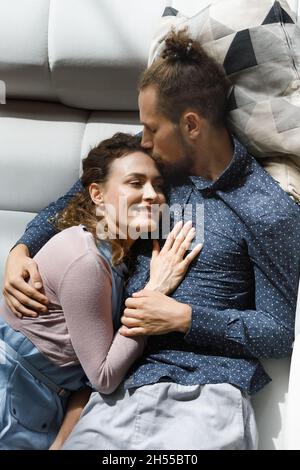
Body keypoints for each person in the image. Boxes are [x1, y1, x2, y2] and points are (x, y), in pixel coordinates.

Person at [3, 30, 300, 450]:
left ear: (190, 125)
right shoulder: (147, 171)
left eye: (150, 128)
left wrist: (184, 317)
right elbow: (75, 200)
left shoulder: (267, 212)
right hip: (114, 391)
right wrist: (19, 250)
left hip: (204, 393)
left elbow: (279, 333)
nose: (142, 140)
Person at [0, 131, 201, 450]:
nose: (152, 195)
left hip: (43, 405)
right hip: (11, 399)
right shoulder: (86, 259)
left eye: (158, 185)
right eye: (135, 183)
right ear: (97, 194)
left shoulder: (116, 255)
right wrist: (154, 293)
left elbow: (83, 374)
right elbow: (103, 376)